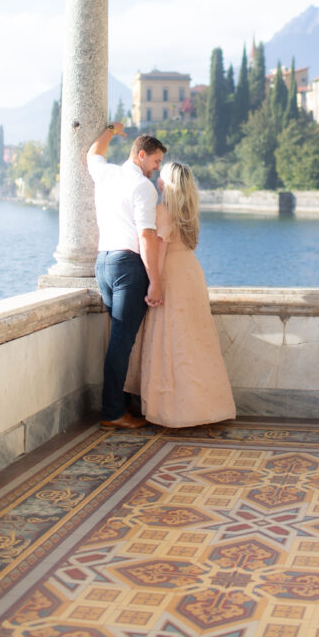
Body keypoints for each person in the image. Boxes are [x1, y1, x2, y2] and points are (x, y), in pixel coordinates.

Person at [125, 161, 236, 428]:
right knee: (196, 340)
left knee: (170, 339)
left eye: (161, 176)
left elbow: (159, 252)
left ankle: (175, 410)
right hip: (192, 276)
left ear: (167, 183)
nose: (158, 179)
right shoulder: (189, 211)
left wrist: (154, 284)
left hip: (172, 277)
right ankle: (208, 405)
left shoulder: (163, 212)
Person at [87, 123, 167, 429]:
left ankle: (120, 404)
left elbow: (94, 153)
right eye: (156, 161)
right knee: (121, 343)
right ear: (142, 155)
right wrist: (156, 281)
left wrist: (110, 130)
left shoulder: (106, 174)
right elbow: (146, 235)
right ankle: (112, 412)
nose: (157, 169)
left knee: (119, 340)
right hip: (128, 266)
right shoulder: (142, 187)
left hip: (103, 263)